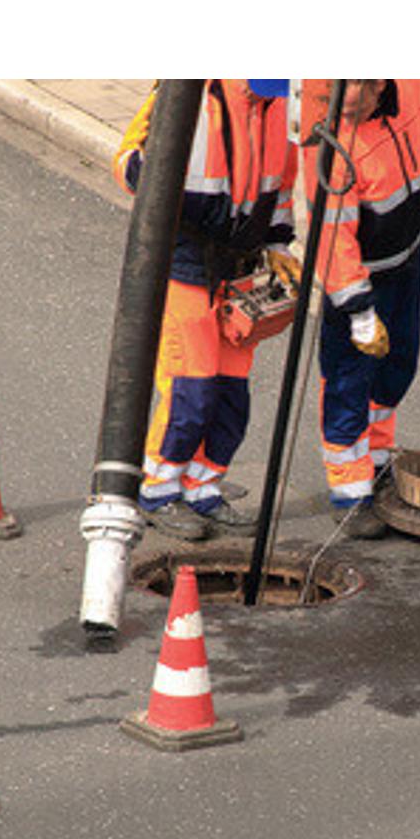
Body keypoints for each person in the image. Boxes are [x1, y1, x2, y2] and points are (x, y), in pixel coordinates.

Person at [112, 79, 301, 540]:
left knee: (231, 396)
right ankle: (158, 489)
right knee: (190, 392)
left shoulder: (275, 104)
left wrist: (277, 242)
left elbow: (279, 183)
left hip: (236, 269)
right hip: (185, 266)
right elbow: (127, 165)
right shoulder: (191, 95)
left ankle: (202, 487)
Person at [301, 79, 420, 538]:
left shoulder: (412, 85)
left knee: (398, 366)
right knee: (349, 382)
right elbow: (332, 238)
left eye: (354, 96)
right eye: (336, 92)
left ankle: (377, 461)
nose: (343, 106)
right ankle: (350, 491)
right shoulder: (327, 134)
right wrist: (359, 313)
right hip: (357, 278)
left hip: (405, 261)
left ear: (378, 84)